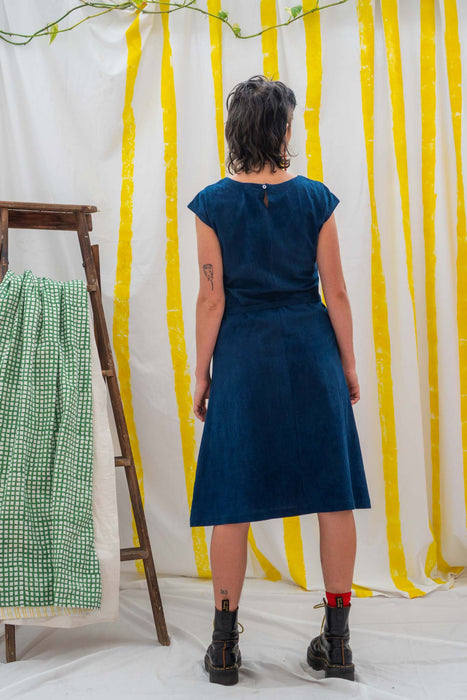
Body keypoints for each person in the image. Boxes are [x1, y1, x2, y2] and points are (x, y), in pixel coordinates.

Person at [187, 74, 371, 686]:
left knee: (231, 498)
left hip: (243, 359)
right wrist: (347, 365)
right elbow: (336, 292)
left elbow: (211, 299)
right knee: (333, 494)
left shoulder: (211, 204)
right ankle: (338, 644)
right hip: (312, 355)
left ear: (236, 131)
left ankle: (223, 647)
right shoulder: (316, 199)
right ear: (283, 130)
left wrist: (200, 374)